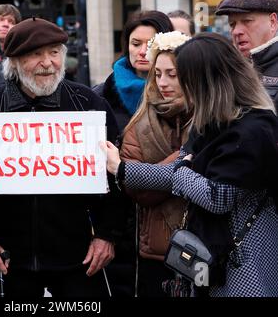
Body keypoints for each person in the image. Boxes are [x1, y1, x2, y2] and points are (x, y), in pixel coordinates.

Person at [104, 33, 278, 297]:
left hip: (247, 261)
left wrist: (184, 170)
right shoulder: (212, 122)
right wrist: (123, 169)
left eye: (182, 78)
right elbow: (177, 172)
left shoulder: (254, 128)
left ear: (208, 82)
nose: (175, 86)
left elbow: (218, 196)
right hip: (217, 256)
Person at [0, 17, 123, 297]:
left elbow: (116, 178)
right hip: (9, 262)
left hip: (79, 261)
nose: (47, 62)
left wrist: (106, 235)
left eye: (55, 52)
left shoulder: (88, 106)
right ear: (13, 62)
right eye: (35, 54)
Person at [119, 31, 191, 297]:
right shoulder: (139, 125)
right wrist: (183, 160)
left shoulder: (209, 119)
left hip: (205, 244)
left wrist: (151, 173)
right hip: (157, 252)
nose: (163, 82)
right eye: (158, 73)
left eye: (172, 74)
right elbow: (136, 191)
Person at [94, 11, 174, 132]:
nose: (142, 51)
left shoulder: (186, 92)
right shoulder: (101, 95)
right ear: (127, 46)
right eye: (136, 44)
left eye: (150, 45)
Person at [215, 0, 278, 109]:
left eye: (247, 21)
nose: (236, 31)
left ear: (272, 22)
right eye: (232, 24)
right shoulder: (228, 68)